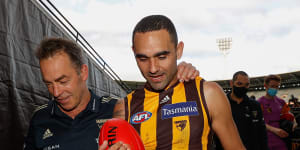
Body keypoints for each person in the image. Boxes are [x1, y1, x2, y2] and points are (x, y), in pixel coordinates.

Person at [24, 38, 199, 150]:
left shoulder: (118, 109)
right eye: (49, 83)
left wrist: (177, 76)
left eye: (63, 81)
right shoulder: (39, 118)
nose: (56, 92)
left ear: (83, 73)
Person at [100, 15, 245, 150]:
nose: (153, 68)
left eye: (162, 56)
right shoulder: (124, 108)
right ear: (134, 53)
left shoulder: (208, 94)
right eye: (143, 58)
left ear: (178, 50)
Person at [214, 71, 268, 150]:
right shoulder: (220, 103)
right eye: (239, 84)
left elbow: (262, 133)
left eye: (246, 85)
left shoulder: (255, 105)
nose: (243, 87)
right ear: (231, 83)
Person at [258, 74, 297, 150]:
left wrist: (294, 122)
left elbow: (289, 114)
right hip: (266, 140)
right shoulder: (259, 103)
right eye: (272, 86)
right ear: (265, 86)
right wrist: (274, 130)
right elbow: (259, 121)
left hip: (282, 139)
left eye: (277, 87)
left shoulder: (281, 102)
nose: (275, 89)